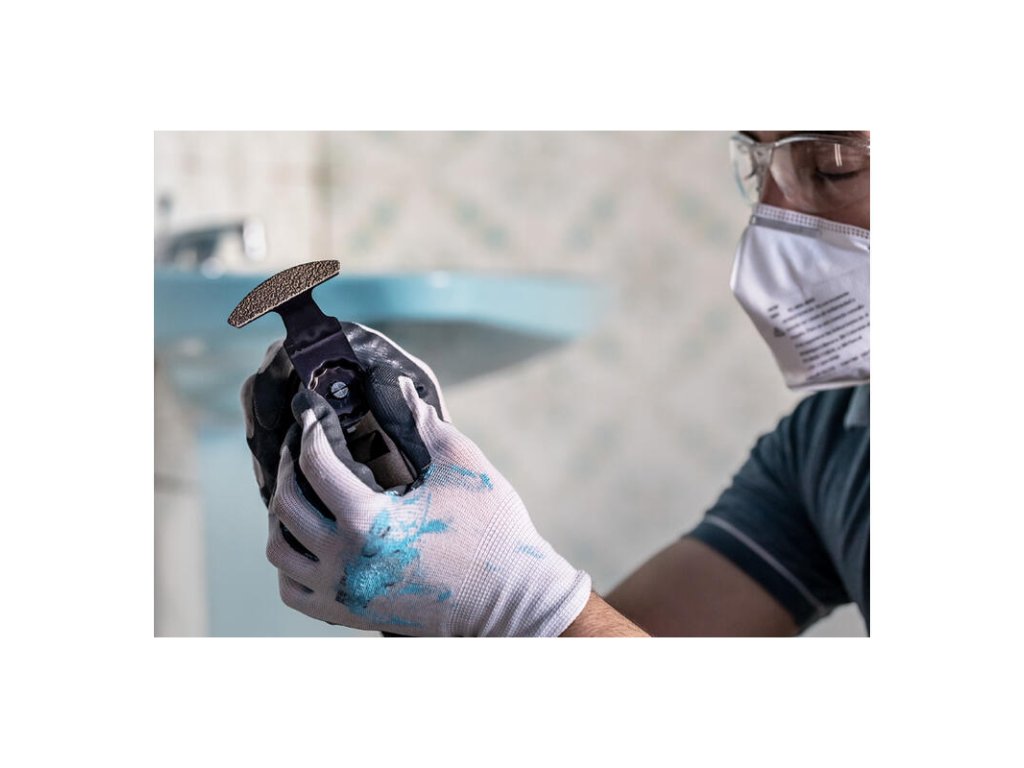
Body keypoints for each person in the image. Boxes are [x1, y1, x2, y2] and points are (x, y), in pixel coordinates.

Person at [241, 131, 870, 637]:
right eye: (759, 165)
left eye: (832, 165)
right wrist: (436, 602)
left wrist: (523, 606)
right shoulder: (828, 446)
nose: (771, 218)